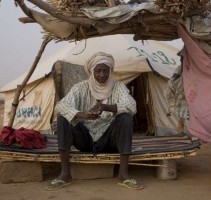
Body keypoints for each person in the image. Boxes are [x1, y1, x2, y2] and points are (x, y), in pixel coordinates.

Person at [45, 52, 143, 190]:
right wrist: (82, 115)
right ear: (92, 71)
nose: (102, 74)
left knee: (125, 117)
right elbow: (61, 106)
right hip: (85, 140)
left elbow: (131, 105)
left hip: (109, 141)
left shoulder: (118, 87)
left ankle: (123, 174)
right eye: (98, 71)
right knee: (63, 116)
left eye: (105, 70)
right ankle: (65, 173)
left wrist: (105, 107)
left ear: (110, 71)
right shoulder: (81, 87)